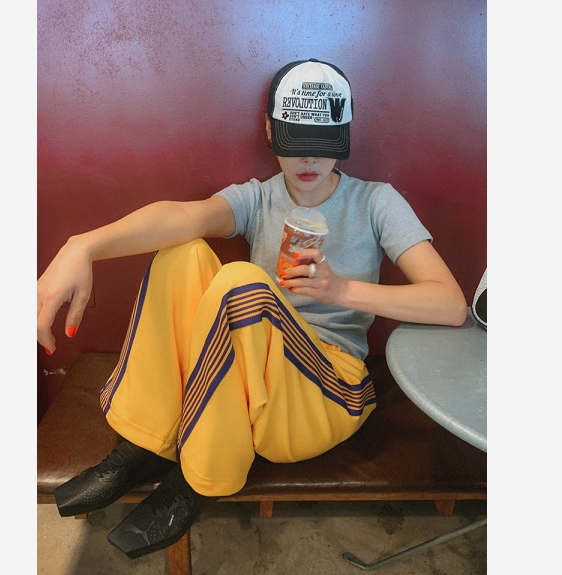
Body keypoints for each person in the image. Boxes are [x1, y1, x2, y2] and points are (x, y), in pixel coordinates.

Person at [37, 58, 467, 559]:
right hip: (253, 384)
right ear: (269, 130)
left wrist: (338, 291)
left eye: (323, 144)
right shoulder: (259, 199)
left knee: (241, 280)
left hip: (328, 393)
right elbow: (183, 216)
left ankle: (200, 479)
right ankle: (147, 444)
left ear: (344, 136)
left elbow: (450, 304)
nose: (309, 159)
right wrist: (83, 245)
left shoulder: (376, 202)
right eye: (294, 141)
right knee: (182, 254)